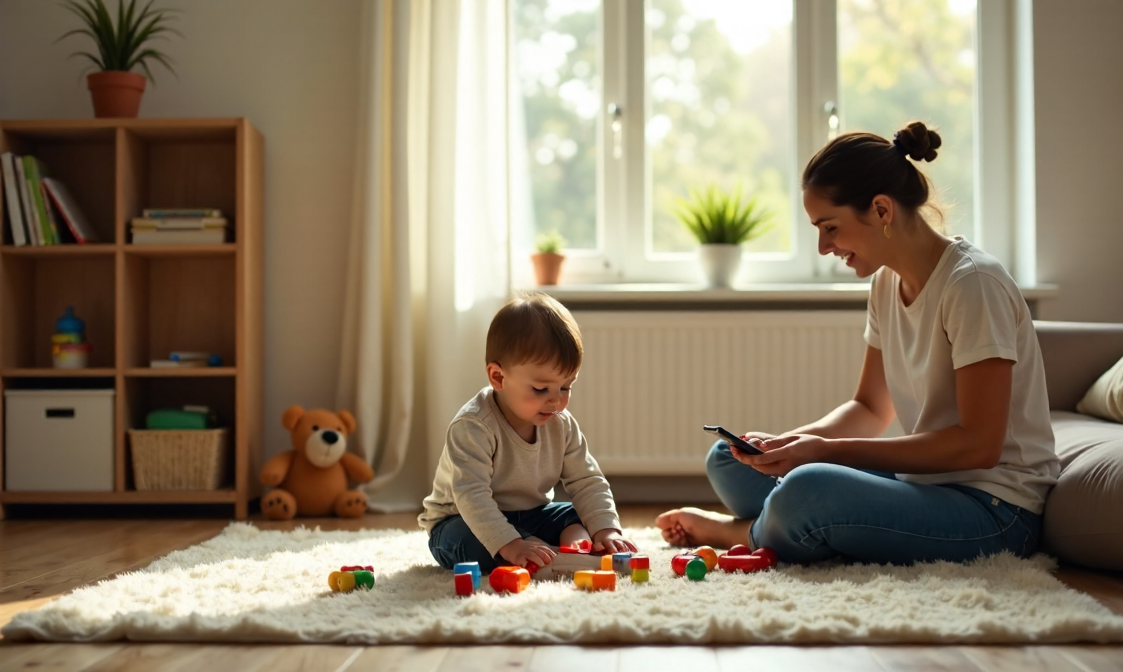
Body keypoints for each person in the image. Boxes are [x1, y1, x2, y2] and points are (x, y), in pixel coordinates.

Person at [656, 121, 1059, 566]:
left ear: (882, 210)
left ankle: (744, 532)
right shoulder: (887, 283)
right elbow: (870, 409)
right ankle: (782, 523)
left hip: (995, 510)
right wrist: (794, 441)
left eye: (830, 227)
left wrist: (822, 452)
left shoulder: (972, 285)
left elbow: (979, 446)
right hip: (924, 484)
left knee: (807, 490)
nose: (824, 246)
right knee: (732, 459)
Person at [419, 291, 637, 573]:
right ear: (498, 377)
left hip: (533, 515)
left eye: (566, 387)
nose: (556, 400)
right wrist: (511, 543)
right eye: (540, 389)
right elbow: (472, 497)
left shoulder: (561, 423)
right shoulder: (474, 426)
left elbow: (587, 480)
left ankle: (577, 548)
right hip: (460, 519)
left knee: (576, 513)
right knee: (471, 543)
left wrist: (607, 529)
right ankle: (537, 553)